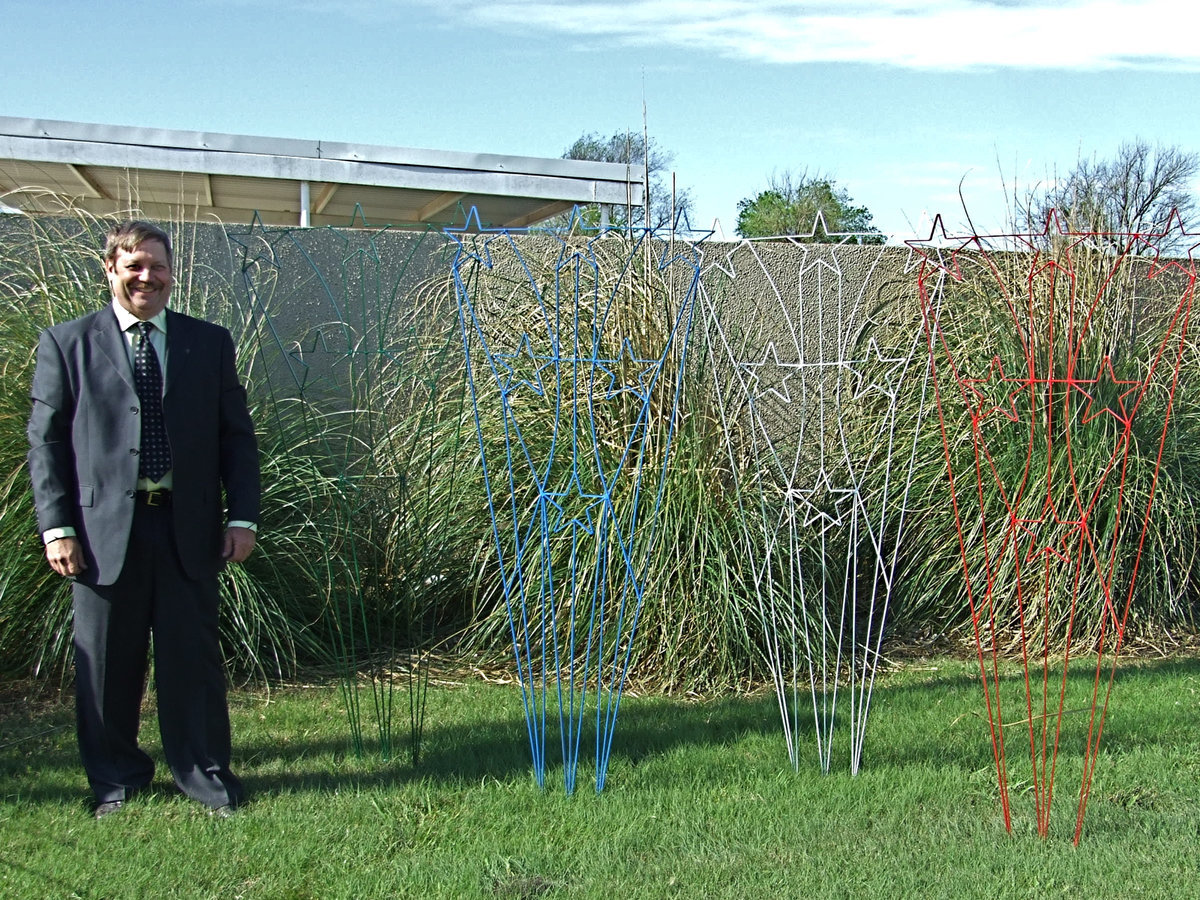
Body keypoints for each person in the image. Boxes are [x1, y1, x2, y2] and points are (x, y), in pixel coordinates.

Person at [26, 220, 260, 819]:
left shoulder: (207, 343)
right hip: (101, 537)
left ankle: (205, 775)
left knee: (193, 663)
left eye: (156, 266)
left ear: (172, 272)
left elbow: (237, 438)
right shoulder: (66, 343)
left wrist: (244, 518)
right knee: (107, 664)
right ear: (110, 270)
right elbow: (46, 444)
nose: (145, 278)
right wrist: (58, 528)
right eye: (133, 266)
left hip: (188, 530)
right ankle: (116, 780)